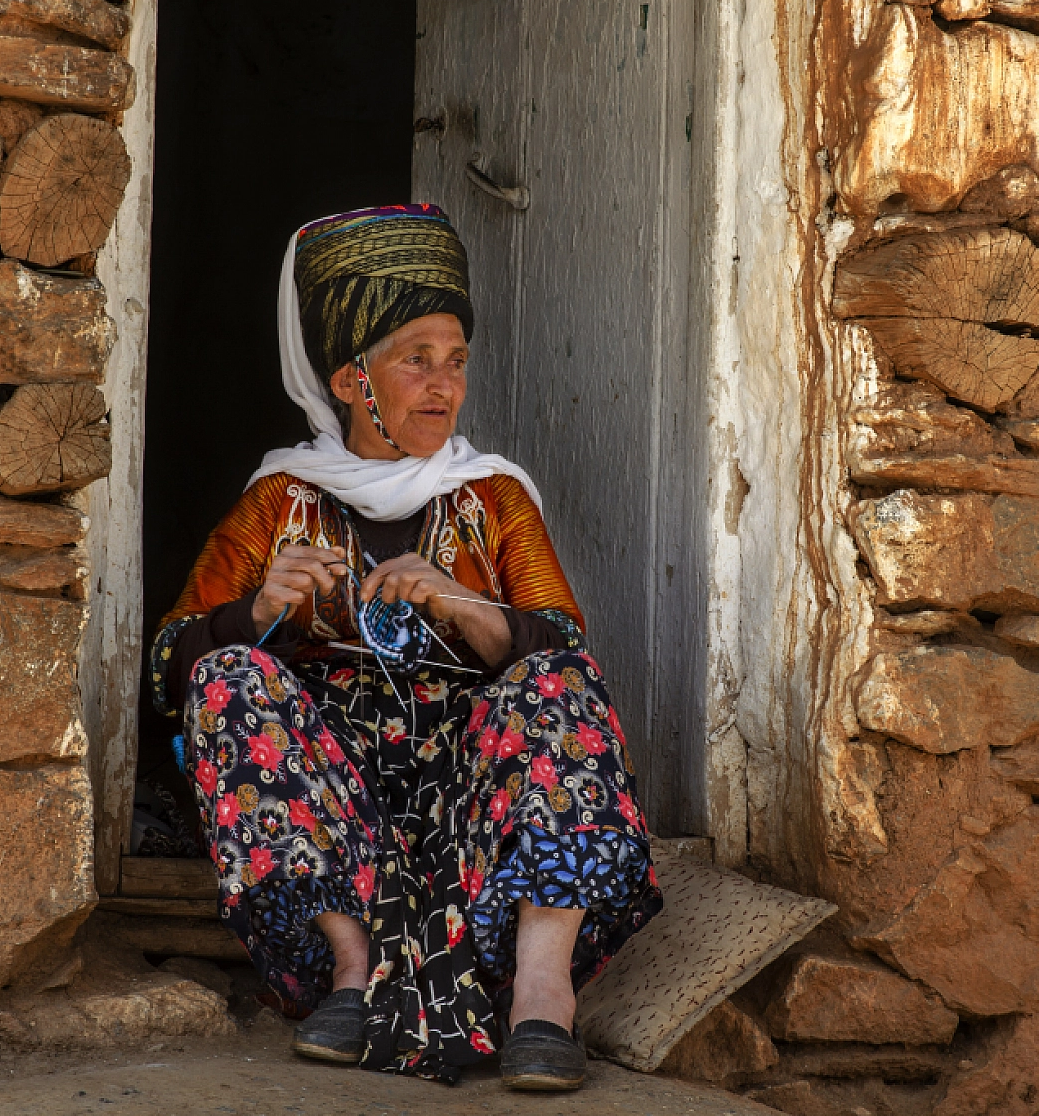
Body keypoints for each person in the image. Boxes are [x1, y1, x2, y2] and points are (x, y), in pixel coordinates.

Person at [149, 205, 661, 1089]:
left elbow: (562, 641)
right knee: (229, 676)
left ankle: (543, 996)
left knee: (557, 682)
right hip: (336, 803)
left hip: (470, 800)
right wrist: (254, 611)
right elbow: (168, 667)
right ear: (351, 381)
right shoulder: (280, 500)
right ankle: (351, 968)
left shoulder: (493, 497)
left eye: (455, 360)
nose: (442, 384)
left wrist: (466, 603)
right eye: (414, 359)